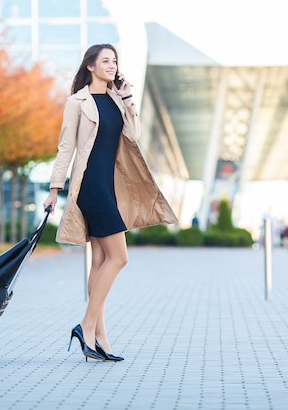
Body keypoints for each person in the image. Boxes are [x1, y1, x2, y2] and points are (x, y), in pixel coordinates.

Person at [43, 44, 178, 362]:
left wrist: (129, 98)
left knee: (101, 260)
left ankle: (100, 336)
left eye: (114, 61)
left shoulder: (117, 100)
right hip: (90, 185)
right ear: (90, 66)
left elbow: (134, 135)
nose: (111, 65)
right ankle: (86, 325)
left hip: (110, 185)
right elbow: (66, 147)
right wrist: (54, 188)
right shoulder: (77, 102)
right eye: (105, 60)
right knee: (120, 257)